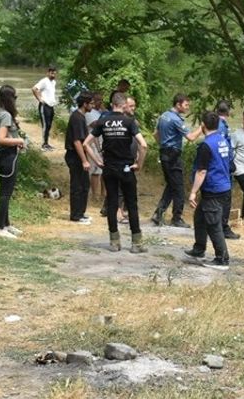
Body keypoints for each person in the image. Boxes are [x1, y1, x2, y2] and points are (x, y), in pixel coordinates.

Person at [86, 92, 148, 252]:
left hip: (109, 168)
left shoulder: (103, 121)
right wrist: (139, 164)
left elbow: (86, 144)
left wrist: (98, 161)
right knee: (132, 204)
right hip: (126, 168)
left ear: (112, 104)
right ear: (124, 105)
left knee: (112, 204)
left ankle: (114, 242)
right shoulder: (129, 122)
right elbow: (144, 145)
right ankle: (137, 244)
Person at [184, 112, 233, 270]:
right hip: (224, 187)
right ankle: (199, 249)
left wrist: (193, 192)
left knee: (213, 223)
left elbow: (201, 171)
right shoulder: (223, 140)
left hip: (214, 189)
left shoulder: (206, 145)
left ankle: (222, 258)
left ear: (203, 126)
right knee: (200, 217)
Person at [151, 94, 201, 228]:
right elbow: (191, 137)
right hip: (173, 156)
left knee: (171, 185)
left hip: (164, 153)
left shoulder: (163, 116)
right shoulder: (176, 120)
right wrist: (203, 127)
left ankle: (158, 213)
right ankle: (176, 218)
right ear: (178, 104)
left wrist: (163, 145)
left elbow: (155, 134)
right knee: (178, 187)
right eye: (186, 105)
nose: (187, 107)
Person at [0, 86, 27, 238]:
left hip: (3, 156)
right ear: (9, 99)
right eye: (15, 98)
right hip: (6, 157)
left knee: (7, 191)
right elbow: (1, 138)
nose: (16, 101)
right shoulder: (5, 115)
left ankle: (6, 224)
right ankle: (0, 228)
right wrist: (19, 140)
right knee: (5, 193)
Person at [214, 101, 240, 241]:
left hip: (222, 164)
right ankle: (223, 227)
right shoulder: (221, 126)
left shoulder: (219, 124)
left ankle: (219, 225)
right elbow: (222, 146)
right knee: (225, 197)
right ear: (228, 112)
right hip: (223, 166)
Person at [65, 92, 93, 224]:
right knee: (77, 185)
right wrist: (84, 160)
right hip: (75, 156)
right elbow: (77, 141)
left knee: (85, 185)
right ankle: (75, 215)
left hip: (80, 155)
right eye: (91, 103)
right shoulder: (76, 118)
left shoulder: (82, 117)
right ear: (85, 104)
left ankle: (81, 212)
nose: (93, 105)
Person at [31, 66, 58, 150]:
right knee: (45, 125)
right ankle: (43, 145)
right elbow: (34, 89)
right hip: (44, 106)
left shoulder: (54, 82)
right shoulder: (44, 81)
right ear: (48, 73)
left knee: (49, 125)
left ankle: (46, 143)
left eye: (54, 72)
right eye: (51, 72)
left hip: (51, 106)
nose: (53, 74)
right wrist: (40, 99)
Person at [86, 92, 104, 209]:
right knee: (95, 171)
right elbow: (95, 125)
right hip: (92, 145)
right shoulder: (89, 113)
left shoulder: (99, 112)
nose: (99, 103)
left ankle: (103, 194)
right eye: (97, 100)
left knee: (102, 171)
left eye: (101, 100)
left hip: (102, 144)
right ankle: (95, 195)